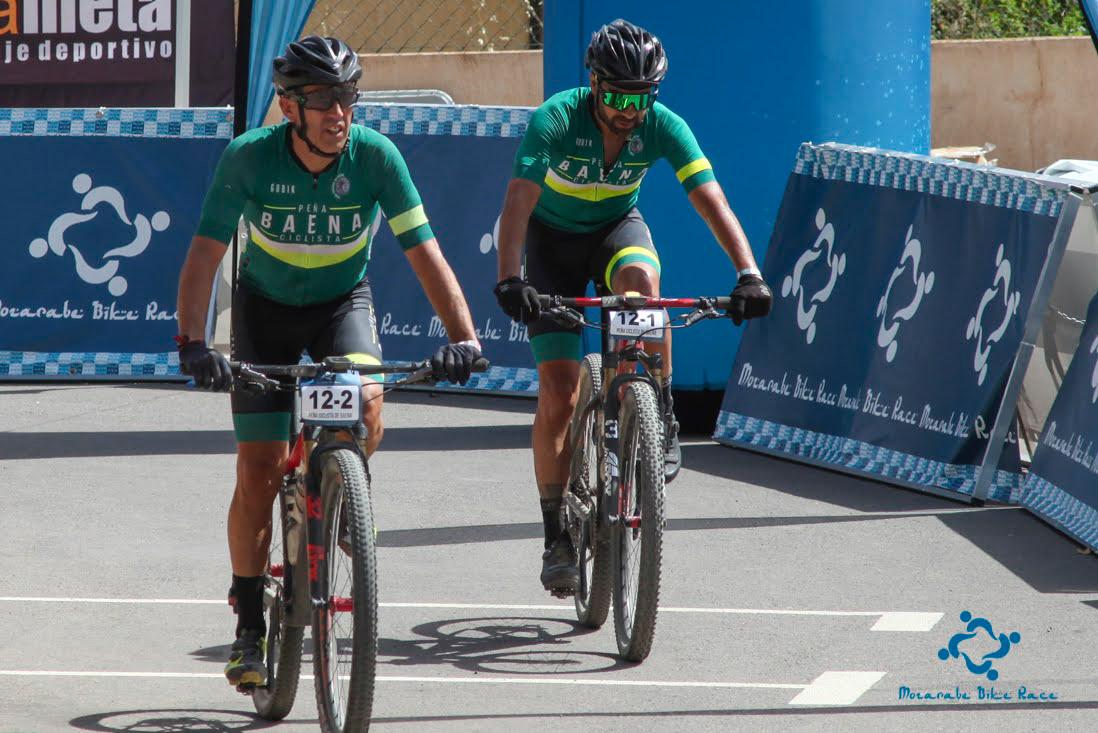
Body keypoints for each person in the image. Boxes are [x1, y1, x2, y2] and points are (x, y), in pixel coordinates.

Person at [175, 36, 482, 689]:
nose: (338, 112)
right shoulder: (249, 160)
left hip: (342, 302)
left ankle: (338, 488)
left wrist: (466, 338)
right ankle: (249, 625)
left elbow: (427, 255)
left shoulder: (377, 158)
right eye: (321, 100)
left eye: (347, 96)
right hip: (265, 312)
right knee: (257, 467)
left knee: (367, 398)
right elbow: (203, 256)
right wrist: (193, 344)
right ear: (289, 106)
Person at [492, 19, 773, 596]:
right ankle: (556, 537)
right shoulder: (556, 119)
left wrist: (749, 273)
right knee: (560, 390)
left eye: (641, 99)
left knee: (644, 281)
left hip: (616, 228)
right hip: (551, 244)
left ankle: (655, 408)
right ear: (594, 84)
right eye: (618, 97)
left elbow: (709, 198)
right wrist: (510, 278)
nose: (629, 111)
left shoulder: (662, 126)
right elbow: (518, 201)